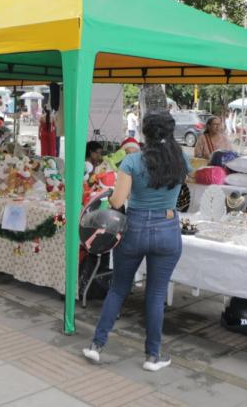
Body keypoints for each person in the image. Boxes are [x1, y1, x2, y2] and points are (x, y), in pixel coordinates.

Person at [83, 111, 189, 371]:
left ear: (144, 133)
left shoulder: (132, 161)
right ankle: (153, 357)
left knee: (118, 289)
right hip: (167, 228)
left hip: (136, 227)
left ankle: (97, 345)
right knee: (155, 294)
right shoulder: (181, 160)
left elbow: (117, 202)